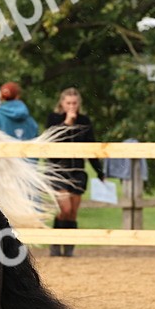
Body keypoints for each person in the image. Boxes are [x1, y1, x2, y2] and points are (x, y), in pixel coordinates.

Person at [44, 87, 105, 257]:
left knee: (72, 211)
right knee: (64, 207)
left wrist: (100, 172)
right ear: (62, 103)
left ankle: (69, 247)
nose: (71, 106)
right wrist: (67, 123)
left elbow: (91, 148)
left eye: (74, 103)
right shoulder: (53, 119)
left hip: (77, 171)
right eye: (68, 103)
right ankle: (55, 244)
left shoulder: (84, 121)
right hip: (58, 170)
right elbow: (51, 141)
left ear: (79, 104)